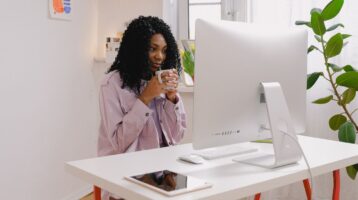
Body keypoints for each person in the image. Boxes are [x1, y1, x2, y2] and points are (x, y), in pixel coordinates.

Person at [97, 16, 187, 200]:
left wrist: (172, 101)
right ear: (136, 49)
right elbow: (118, 143)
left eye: (163, 50)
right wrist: (145, 97)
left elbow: (176, 137)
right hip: (123, 178)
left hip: (160, 175)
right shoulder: (112, 84)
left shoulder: (161, 80)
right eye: (152, 49)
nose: (159, 56)